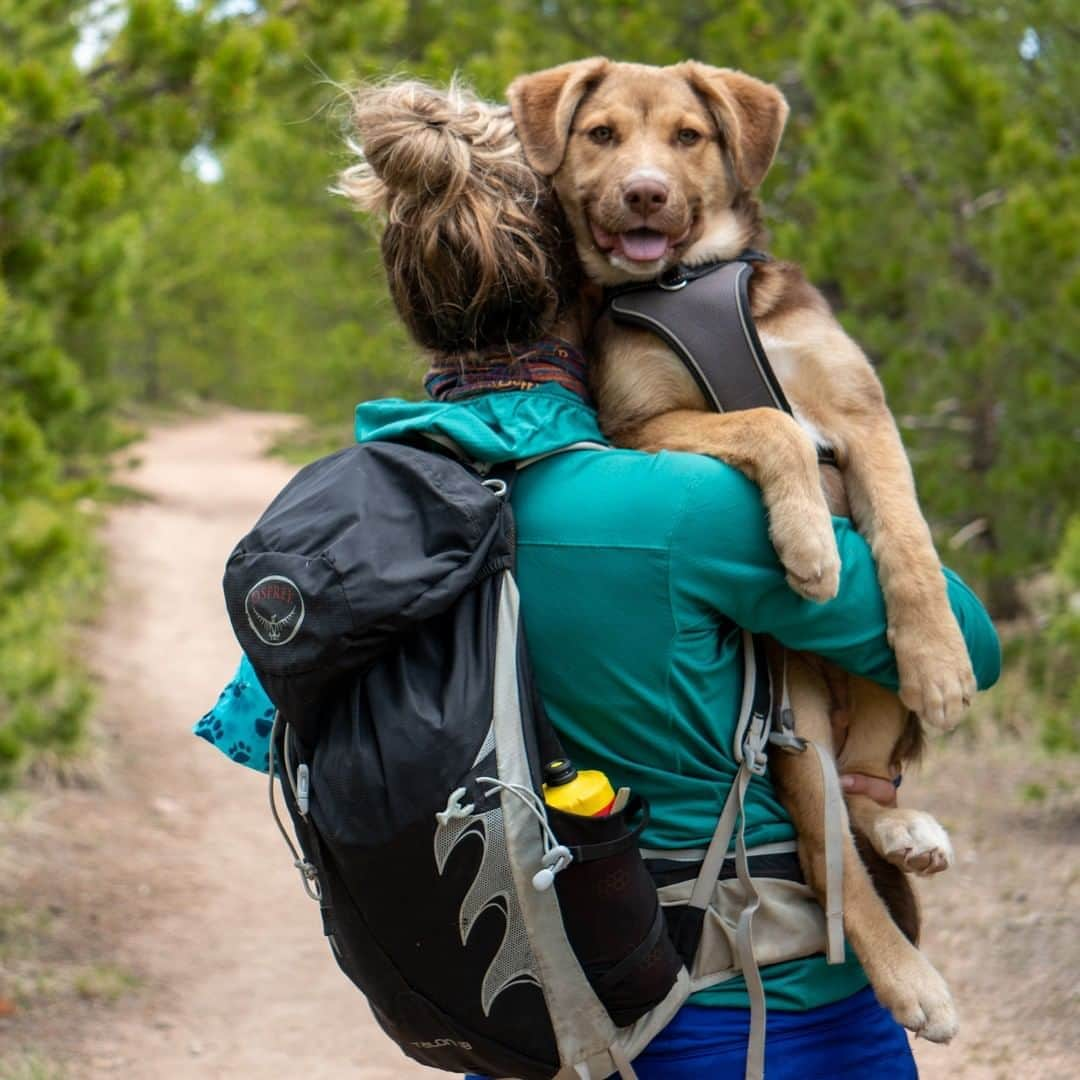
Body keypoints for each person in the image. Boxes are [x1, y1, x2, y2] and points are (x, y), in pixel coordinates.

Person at [196, 80, 1000, 1079]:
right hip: (750, 1022)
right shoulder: (681, 505)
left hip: (514, 1027)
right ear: (578, 276)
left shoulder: (334, 520)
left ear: (410, 299)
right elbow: (968, 644)